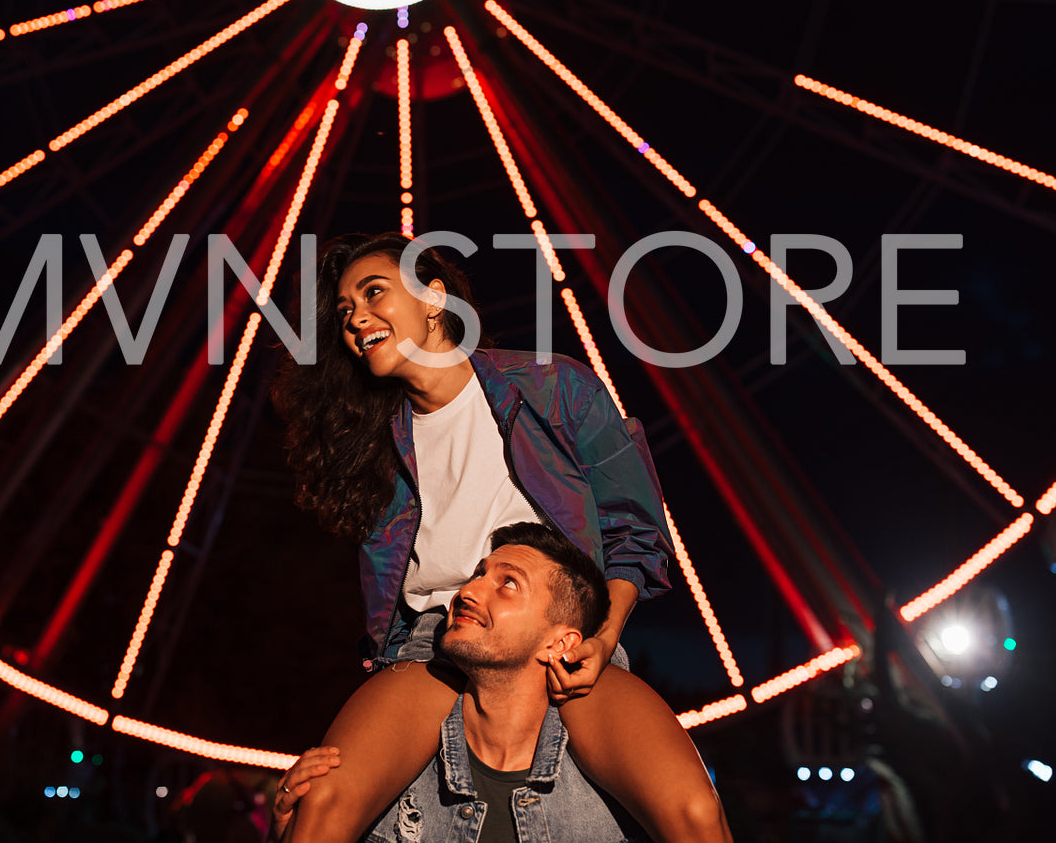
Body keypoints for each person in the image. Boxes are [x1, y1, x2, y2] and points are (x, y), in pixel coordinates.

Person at [271, 233, 729, 843]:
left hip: (558, 636)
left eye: (373, 292)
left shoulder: (553, 389)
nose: (355, 316)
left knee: (695, 812)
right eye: (345, 310)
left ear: (434, 298)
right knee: (317, 807)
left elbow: (634, 530)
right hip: (433, 644)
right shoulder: (373, 450)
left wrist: (601, 636)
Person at [280, 523, 709, 841]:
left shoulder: (608, 769)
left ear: (560, 642)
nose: (467, 592)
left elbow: (698, 817)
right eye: (478, 575)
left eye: (507, 584)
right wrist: (284, 831)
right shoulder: (394, 756)